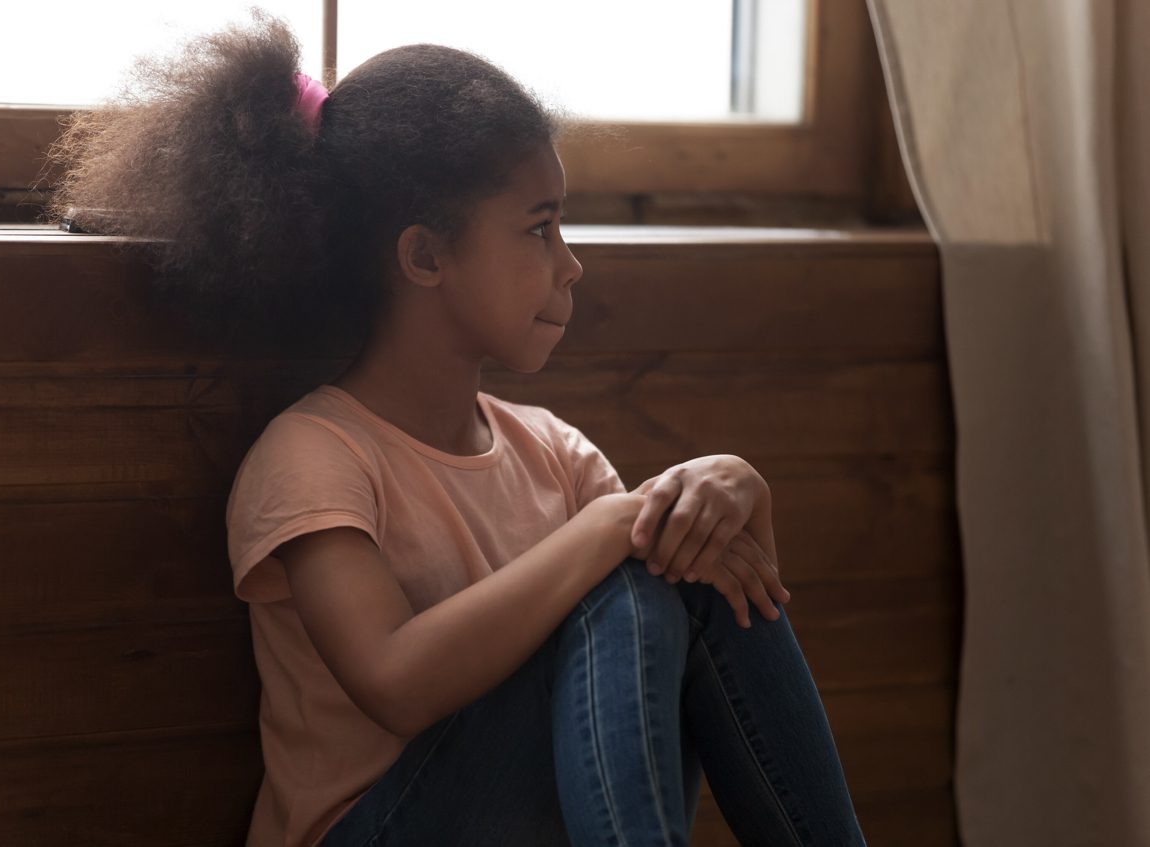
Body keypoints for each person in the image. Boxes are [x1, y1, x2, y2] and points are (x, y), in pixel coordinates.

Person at [42, 9, 866, 846]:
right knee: (639, 565)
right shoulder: (312, 455)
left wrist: (730, 489)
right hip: (371, 828)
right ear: (426, 258)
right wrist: (622, 524)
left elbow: (647, 632)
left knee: (679, 565)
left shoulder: (555, 452)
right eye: (539, 228)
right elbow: (394, 680)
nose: (571, 262)